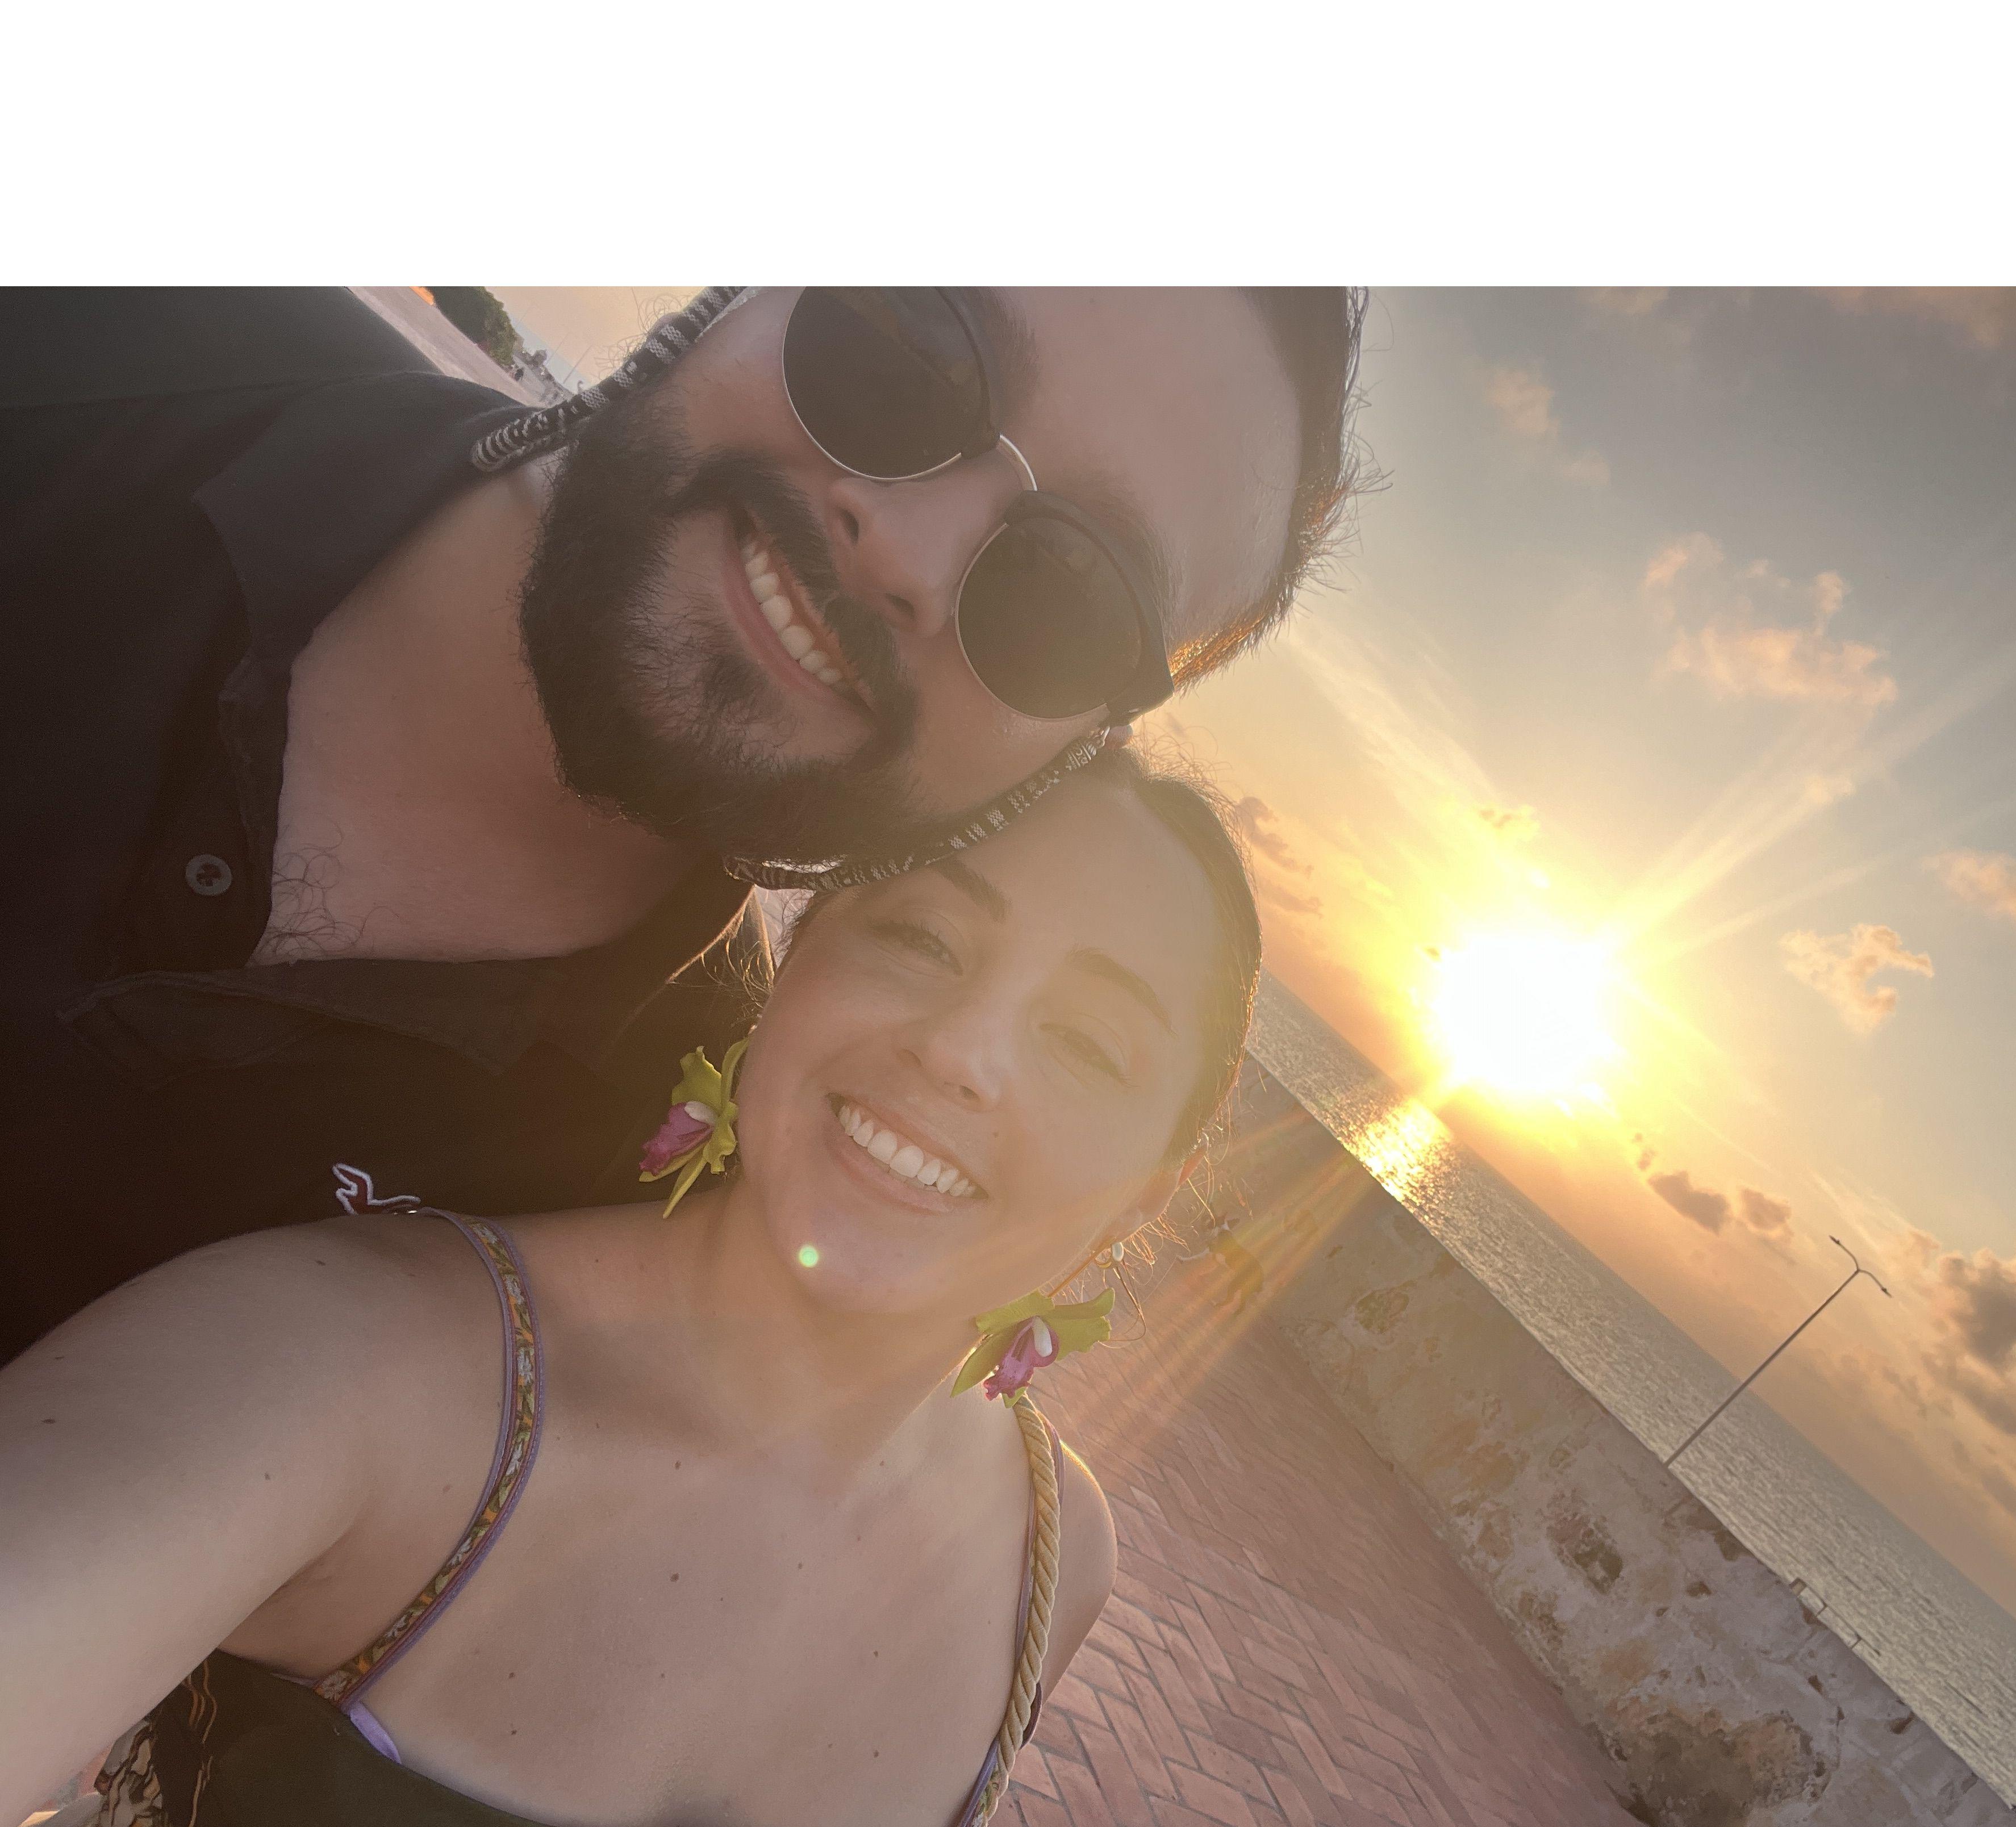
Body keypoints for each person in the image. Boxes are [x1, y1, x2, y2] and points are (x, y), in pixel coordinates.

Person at [0, 746, 1260, 1827]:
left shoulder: (1053, 1561)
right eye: (923, 940)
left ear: (1141, 1198)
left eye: (1090, 1042)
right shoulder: (363, 1370)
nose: (963, 1051)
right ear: (795, 959)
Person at [0, 284, 1363, 1360]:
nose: (909, 556)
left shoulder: (641, 1193)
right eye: (908, 351)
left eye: (1072, 600)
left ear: (1070, 752)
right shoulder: (97, 326)